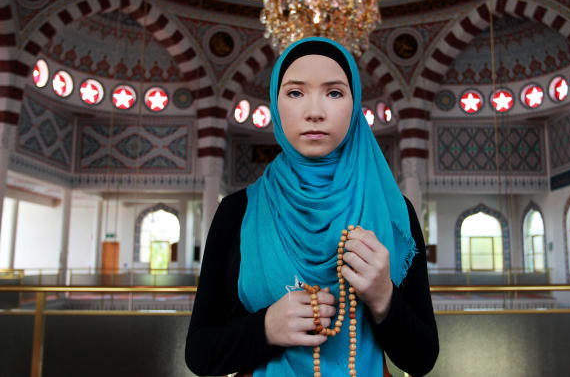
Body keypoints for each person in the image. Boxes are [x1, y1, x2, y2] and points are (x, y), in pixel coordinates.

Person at [185, 37, 439, 377]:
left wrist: (383, 298)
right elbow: (199, 354)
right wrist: (265, 329)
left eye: (334, 93)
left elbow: (421, 360)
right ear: (275, 104)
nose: (315, 111)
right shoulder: (237, 212)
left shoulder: (394, 213)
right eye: (295, 93)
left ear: (355, 103)